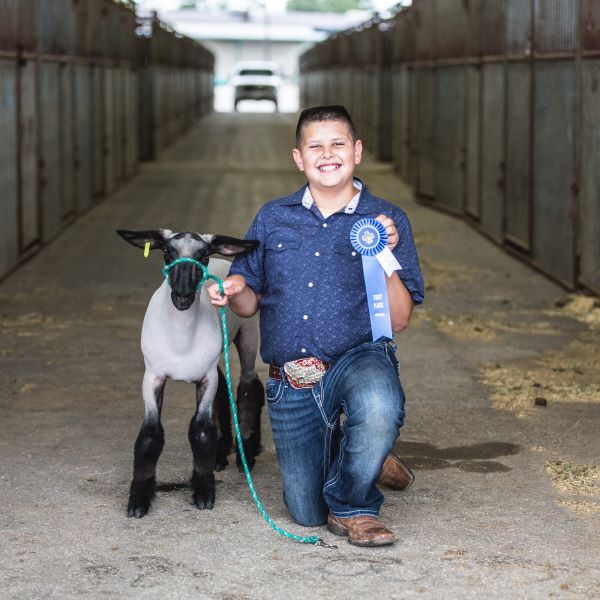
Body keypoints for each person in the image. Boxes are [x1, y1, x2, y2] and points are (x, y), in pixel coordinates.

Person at [208, 105, 424, 547]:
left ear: (357, 151)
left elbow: (399, 319)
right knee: (306, 512)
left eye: (339, 143)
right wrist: (231, 288)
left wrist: (385, 255)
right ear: (299, 158)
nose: (328, 154)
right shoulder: (273, 217)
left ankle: (354, 506)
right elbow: (248, 305)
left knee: (379, 401)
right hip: (294, 377)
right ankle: (364, 452)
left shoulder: (386, 220)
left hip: (358, 358)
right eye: (315, 146)